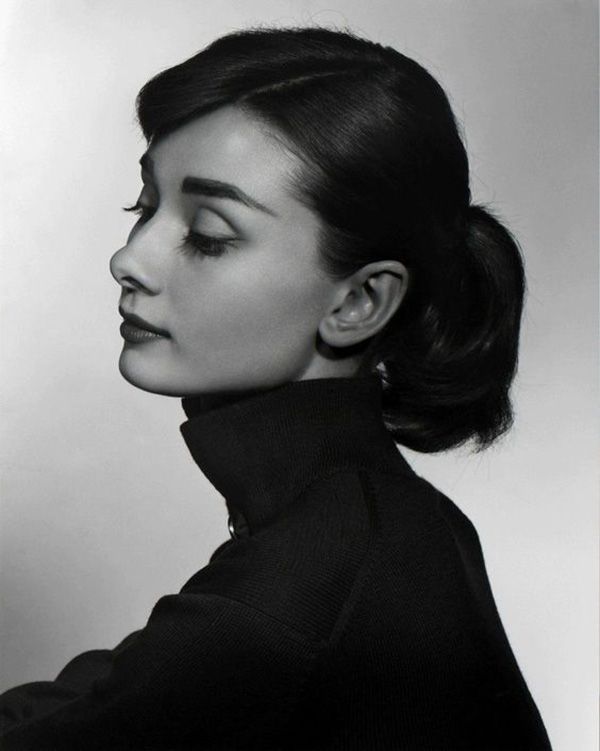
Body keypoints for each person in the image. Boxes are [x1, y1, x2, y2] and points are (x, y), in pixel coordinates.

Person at [0, 26, 552, 750]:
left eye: (208, 234)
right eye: (144, 206)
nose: (128, 258)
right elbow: (115, 690)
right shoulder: (384, 521)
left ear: (358, 302)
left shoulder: (302, 581)